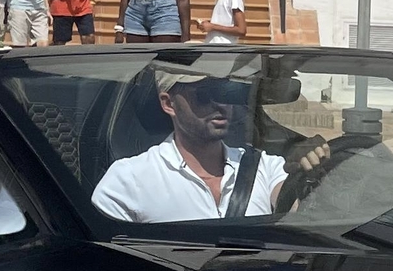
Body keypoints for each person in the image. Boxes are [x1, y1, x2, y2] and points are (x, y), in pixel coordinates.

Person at [92, 64, 318, 222]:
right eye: (203, 96)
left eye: (225, 93)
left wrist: (314, 172)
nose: (221, 105)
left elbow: (299, 212)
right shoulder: (128, 180)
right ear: (169, 104)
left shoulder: (264, 166)